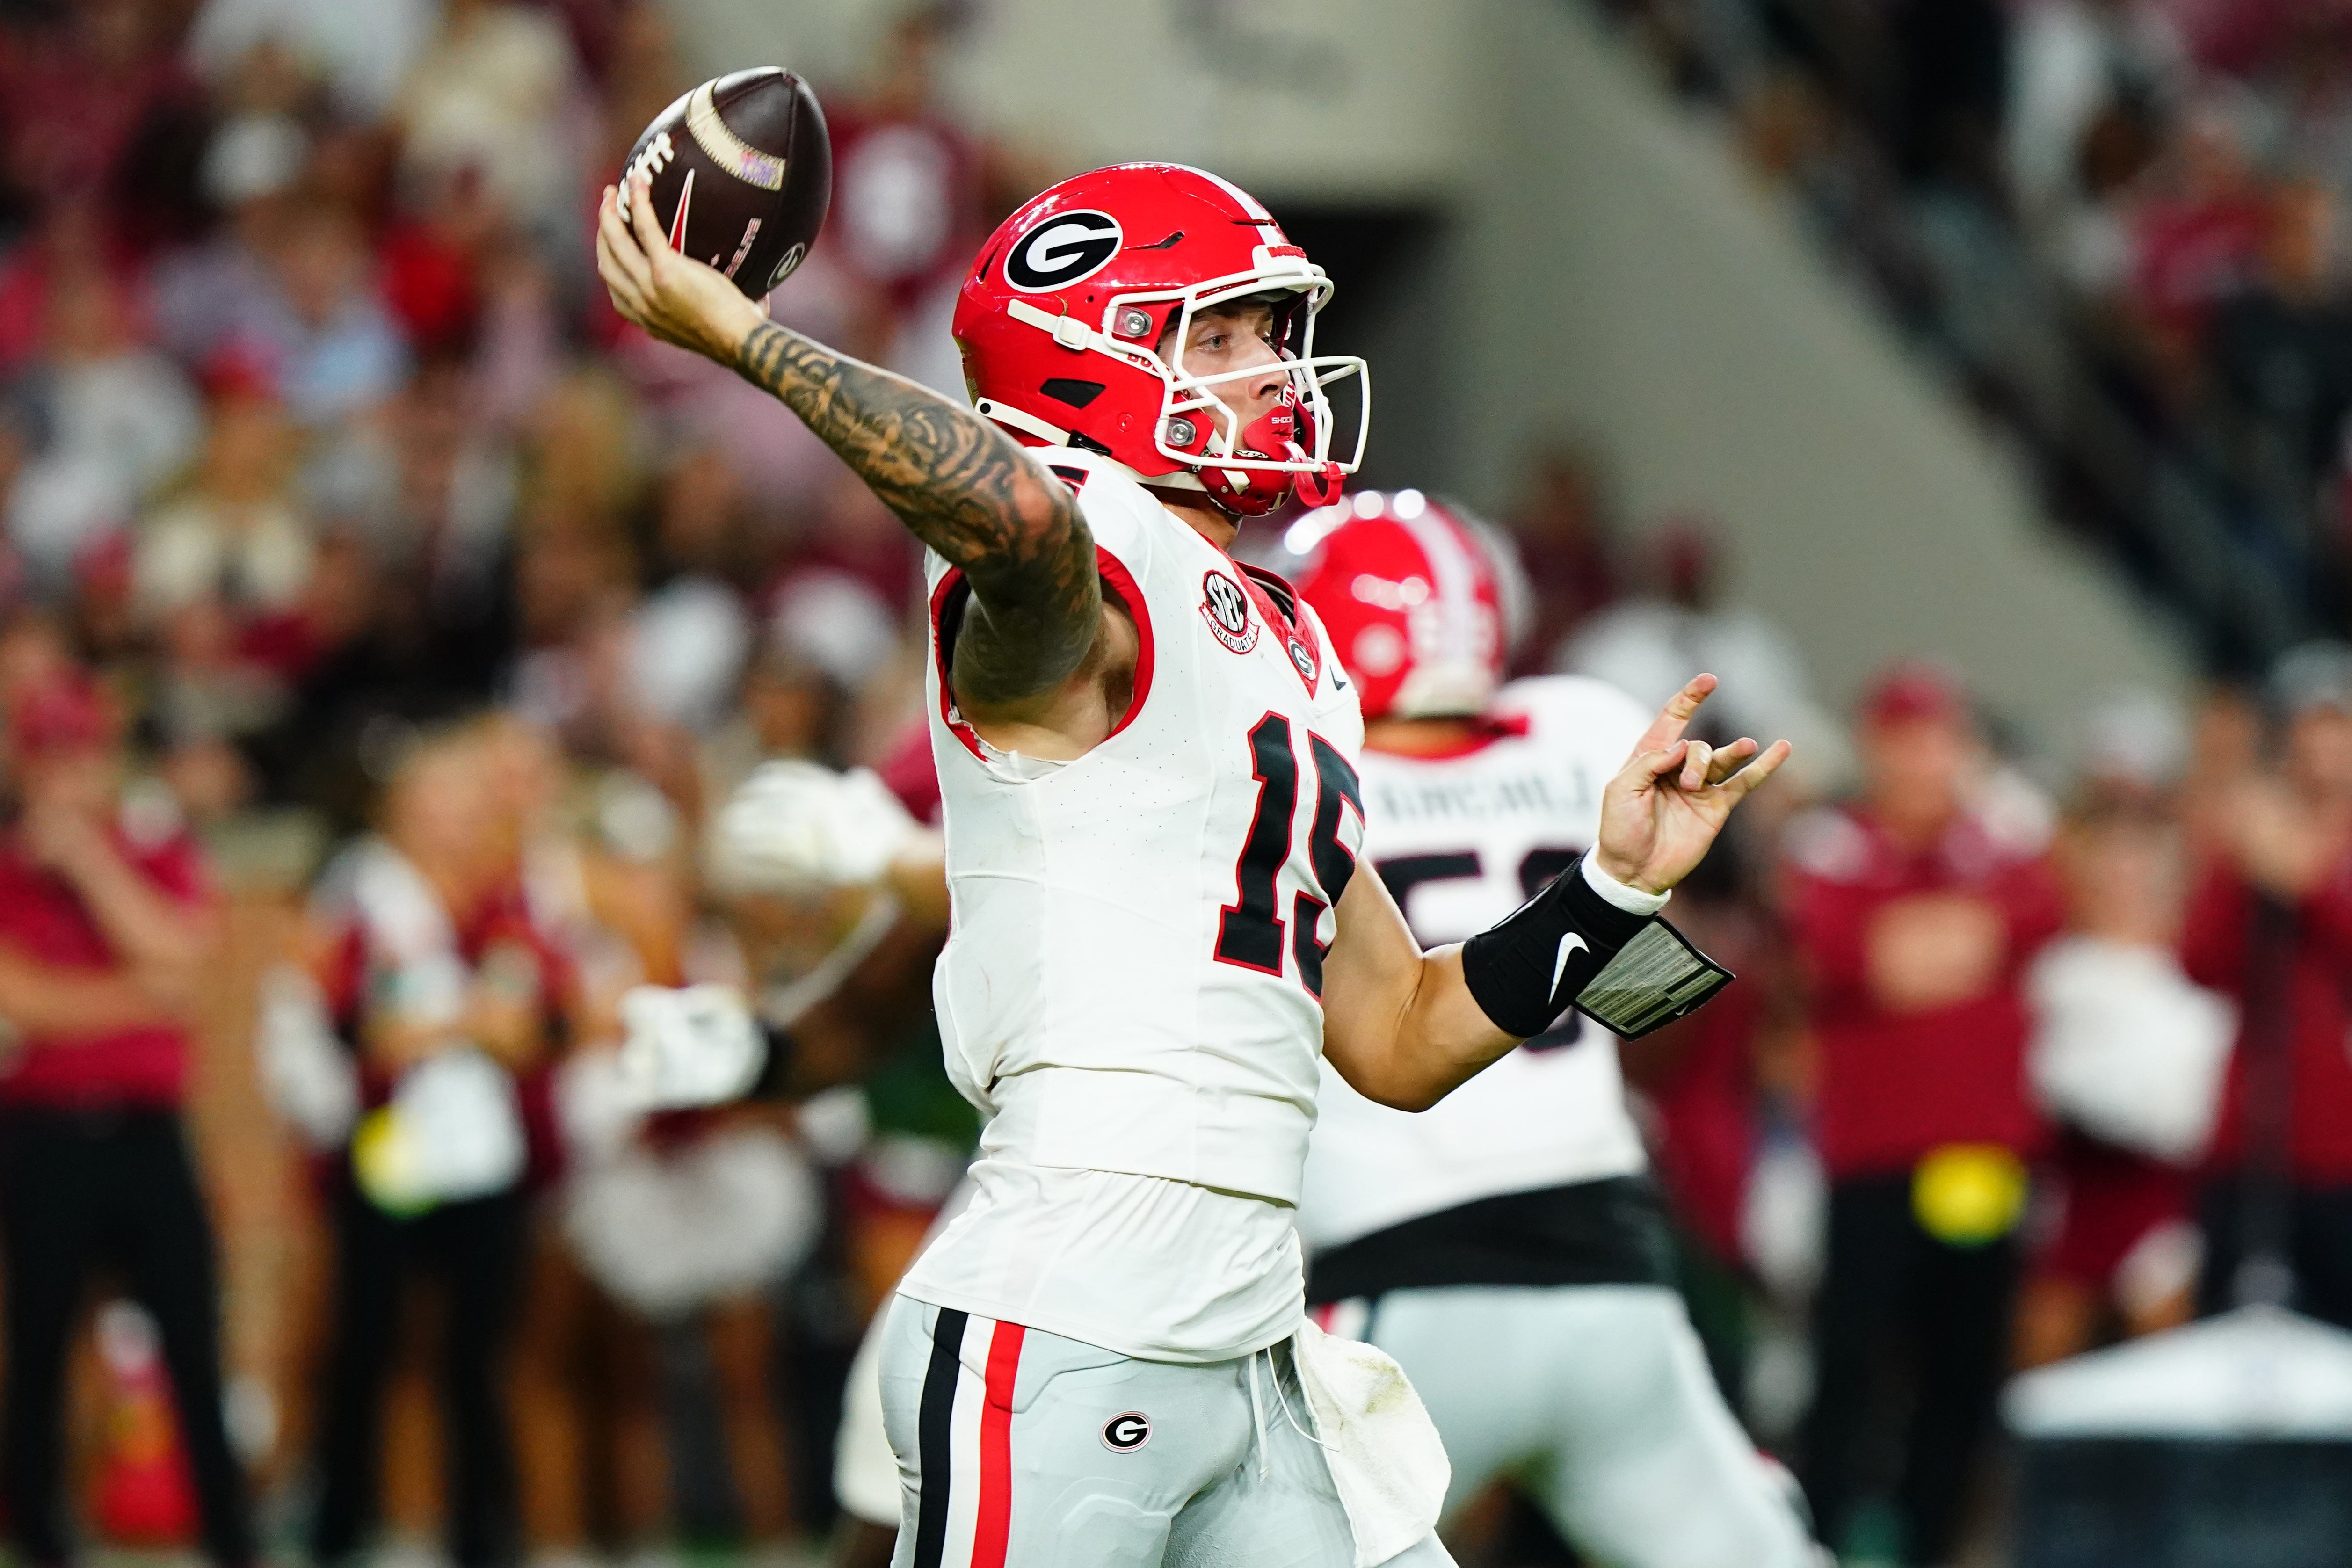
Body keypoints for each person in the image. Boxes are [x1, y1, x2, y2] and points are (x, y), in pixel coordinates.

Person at [595, 158, 1788, 1568]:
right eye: (1218, 335)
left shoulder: (1285, 642)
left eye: (1273, 333)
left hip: (1251, 1331)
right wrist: (749, 338)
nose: (1273, 370)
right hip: (1070, 1313)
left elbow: (1398, 1035)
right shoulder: (1075, 574)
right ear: (1081, 362)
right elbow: (1021, 522)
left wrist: (1611, 892)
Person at [1270, 491, 1821, 1567]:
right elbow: (1658, 1013)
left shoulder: (1296, 765)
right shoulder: (1578, 732)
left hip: (1402, 1280)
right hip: (1614, 1273)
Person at [1783, 661, 2065, 1566]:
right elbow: (1872, 958)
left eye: (1940, 740)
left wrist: (1914, 945)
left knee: (1963, 1365)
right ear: (1874, 749)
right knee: (1854, 1367)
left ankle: (1932, 1543)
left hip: (1977, 1157)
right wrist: (1945, 943)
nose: (1924, 761)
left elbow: (1990, 933)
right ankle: (1822, 1545)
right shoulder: (1835, 847)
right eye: (1905, 742)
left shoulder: (2001, 847)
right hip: (1872, 1158)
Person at [0, 667, 256, 1568]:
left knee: (192, 1333)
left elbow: (186, 966)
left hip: (149, 1130)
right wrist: (137, 996)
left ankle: (231, 1534)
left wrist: (93, 865)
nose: (70, 779)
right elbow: (23, 1002)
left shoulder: (149, 852)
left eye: (84, 758)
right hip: (44, 1136)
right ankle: (38, 1527)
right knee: (40, 1341)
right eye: (52, 760)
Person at [2180, 641, 2352, 1328]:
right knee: (2224, 1327)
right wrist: (2246, 863)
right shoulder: (2256, 843)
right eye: (2307, 728)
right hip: (2254, 1141)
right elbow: (2203, 961)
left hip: (2341, 1150)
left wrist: (2308, 880)